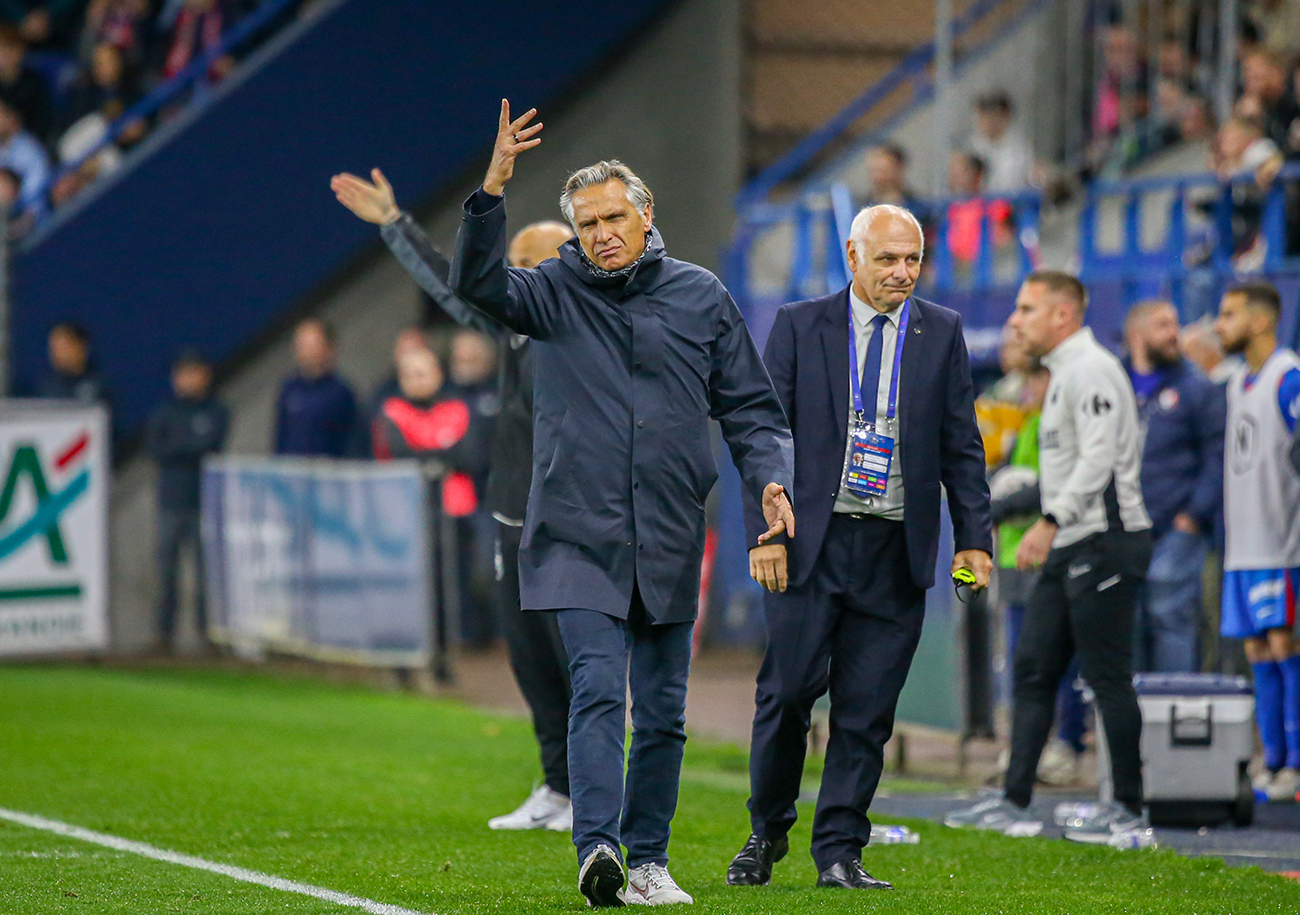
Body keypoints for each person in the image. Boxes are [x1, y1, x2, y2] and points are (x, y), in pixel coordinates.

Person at [447, 101, 794, 908]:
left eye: (614, 216)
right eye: (587, 221)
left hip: (671, 532)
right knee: (599, 688)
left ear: (646, 216)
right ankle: (598, 845)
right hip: (575, 531)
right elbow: (476, 283)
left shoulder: (702, 297)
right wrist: (492, 189)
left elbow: (749, 408)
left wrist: (769, 477)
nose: (601, 231)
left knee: (666, 712)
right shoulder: (550, 293)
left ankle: (648, 859)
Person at [726, 204, 992, 892]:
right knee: (785, 695)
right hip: (810, 543)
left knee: (866, 711)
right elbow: (762, 433)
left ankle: (840, 849)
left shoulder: (943, 332)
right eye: (887, 260)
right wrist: (767, 531)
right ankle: (766, 829)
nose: (902, 273)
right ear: (852, 256)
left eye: (912, 260)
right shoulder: (797, 324)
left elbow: (962, 445)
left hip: (894, 548)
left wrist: (974, 541)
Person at [332, 165, 579, 832]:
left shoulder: (586, 336)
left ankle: (590, 791)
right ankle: (558, 787)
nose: (520, 275)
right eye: (517, 262)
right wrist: (394, 223)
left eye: (538, 262)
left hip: (569, 527)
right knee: (531, 662)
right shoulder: (511, 330)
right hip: (510, 520)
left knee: (578, 663)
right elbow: (452, 281)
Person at [946, 270, 1153, 842]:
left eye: (1028, 309)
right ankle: (1014, 803)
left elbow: (1100, 461)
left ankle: (1130, 811)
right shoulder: (1062, 375)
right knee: (1034, 667)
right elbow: (1064, 470)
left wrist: (1049, 521)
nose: (1016, 320)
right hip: (1072, 541)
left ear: (1063, 316)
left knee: (1107, 676)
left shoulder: (1092, 371)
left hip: (1106, 541)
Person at [1214, 282, 1300, 803]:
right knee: (1255, 649)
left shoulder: (1288, 379)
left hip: (1281, 544)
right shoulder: (1236, 382)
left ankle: (1295, 762)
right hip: (1241, 546)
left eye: (1229, 314)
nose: (1219, 324)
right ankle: (1272, 761)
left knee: (1284, 644)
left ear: (1261, 321)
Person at [1123, 300, 1226, 673]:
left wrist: (1195, 515)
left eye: (1175, 324)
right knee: (1124, 625)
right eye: (1162, 325)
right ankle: (1130, 726)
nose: (1173, 334)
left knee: (1171, 618)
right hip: (1123, 528)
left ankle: (1172, 716)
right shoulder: (1113, 381)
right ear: (1136, 334)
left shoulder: (1196, 386)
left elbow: (1218, 454)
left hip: (1176, 527)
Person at [143, 350, 228, 653]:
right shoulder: (165, 411)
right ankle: (163, 637)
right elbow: (156, 450)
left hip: (204, 503)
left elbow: (210, 446)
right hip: (170, 502)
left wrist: (179, 449)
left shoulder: (216, 410)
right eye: (182, 372)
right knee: (166, 572)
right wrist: (189, 448)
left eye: (193, 372)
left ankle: (210, 637)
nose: (187, 379)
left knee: (207, 575)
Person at [273, 318, 357, 458]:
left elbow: (351, 443)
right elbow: (281, 438)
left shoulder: (341, 393)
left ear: (328, 348)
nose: (307, 351)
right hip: (290, 472)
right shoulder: (288, 389)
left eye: (313, 345)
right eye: (302, 344)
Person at [968, 90, 1035, 193]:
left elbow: (1025, 180)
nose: (991, 121)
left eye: (996, 116)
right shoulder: (972, 147)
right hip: (979, 204)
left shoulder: (1018, 147)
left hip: (1011, 203)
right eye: (986, 116)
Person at [34, 320, 111, 404]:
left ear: (80, 346)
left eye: (64, 347)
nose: (59, 354)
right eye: (54, 348)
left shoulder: (100, 386)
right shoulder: (46, 389)